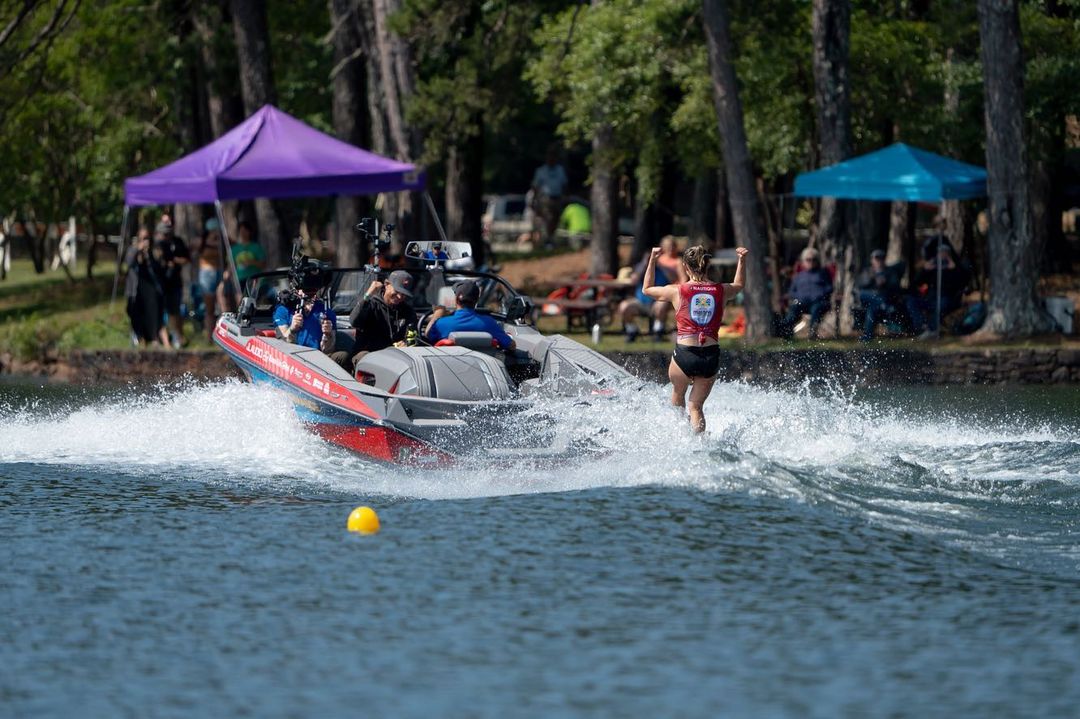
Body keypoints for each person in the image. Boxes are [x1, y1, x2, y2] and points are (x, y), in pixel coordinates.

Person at [643, 244, 748, 434]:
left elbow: (647, 289)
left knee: (678, 395)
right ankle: (699, 446)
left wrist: (652, 259)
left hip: (685, 353)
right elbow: (739, 285)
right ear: (707, 266)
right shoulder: (721, 290)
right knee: (696, 407)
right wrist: (742, 260)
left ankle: (679, 437)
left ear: (685, 267)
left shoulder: (677, 291)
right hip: (710, 356)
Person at [331, 270, 418, 371]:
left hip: (395, 358)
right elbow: (353, 321)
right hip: (368, 357)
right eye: (397, 291)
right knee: (365, 357)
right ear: (386, 284)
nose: (399, 297)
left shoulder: (408, 311)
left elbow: (413, 335)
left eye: (403, 294)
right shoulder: (370, 305)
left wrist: (406, 343)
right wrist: (368, 295)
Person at [617, 236, 685, 341]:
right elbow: (634, 279)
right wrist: (646, 263)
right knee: (624, 306)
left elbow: (676, 279)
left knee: (661, 305)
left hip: (658, 301)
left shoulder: (668, 264)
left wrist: (659, 264)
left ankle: (658, 332)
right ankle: (632, 331)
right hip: (641, 301)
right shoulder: (643, 266)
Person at [905, 238, 970, 338]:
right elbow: (915, 284)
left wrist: (954, 269)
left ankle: (933, 329)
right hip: (931, 298)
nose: (942, 255)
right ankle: (922, 327)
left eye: (945, 253)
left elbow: (963, 283)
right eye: (940, 253)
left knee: (941, 304)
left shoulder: (955, 268)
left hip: (947, 298)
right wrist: (924, 270)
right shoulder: (933, 268)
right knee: (911, 301)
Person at [426, 279, 516, 350]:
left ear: (456, 299)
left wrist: (438, 313)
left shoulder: (441, 324)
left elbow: (428, 335)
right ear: (476, 300)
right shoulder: (489, 323)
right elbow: (511, 345)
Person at [124, 226, 170, 347]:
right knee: (136, 315)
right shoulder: (133, 250)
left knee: (156, 315)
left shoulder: (154, 251)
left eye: (147, 238)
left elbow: (160, 269)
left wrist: (151, 254)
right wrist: (138, 250)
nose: (145, 241)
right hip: (136, 291)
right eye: (143, 238)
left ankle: (159, 341)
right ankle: (141, 340)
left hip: (152, 291)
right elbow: (128, 263)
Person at [778, 247, 833, 340]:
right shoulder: (799, 276)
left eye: (814, 259)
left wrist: (820, 294)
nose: (811, 262)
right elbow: (792, 291)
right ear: (803, 262)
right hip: (802, 302)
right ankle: (786, 334)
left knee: (816, 309)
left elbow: (829, 288)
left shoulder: (823, 273)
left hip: (818, 302)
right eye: (808, 260)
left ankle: (812, 333)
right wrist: (798, 297)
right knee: (793, 310)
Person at [153, 219, 190, 347]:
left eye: (168, 233)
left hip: (174, 282)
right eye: (163, 234)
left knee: (175, 311)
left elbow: (186, 259)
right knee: (159, 311)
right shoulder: (156, 244)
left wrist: (173, 260)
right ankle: (164, 341)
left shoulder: (177, 242)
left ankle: (178, 337)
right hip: (159, 283)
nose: (166, 236)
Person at [856, 249, 905, 342]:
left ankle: (867, 337)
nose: (879, 261)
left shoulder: (890, 272)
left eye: (881, 258)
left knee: (872, 309)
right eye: (876, 258)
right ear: (872, 260)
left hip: (881, 301)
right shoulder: (867, 271)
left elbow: (895, 287)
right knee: (866, 294)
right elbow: (860, 285)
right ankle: (884, 305)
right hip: (870, 299)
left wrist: (885, 282)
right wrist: (872, 279)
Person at [273, 287, 337, 353]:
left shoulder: (326, 312)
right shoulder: (283, 310)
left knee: (342, 356)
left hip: (318, 357)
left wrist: (328, 335)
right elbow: (282, 347)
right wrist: (292, 330)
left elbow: (328, 350)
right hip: (294, 356)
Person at [530, 145, 569, 245]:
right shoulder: (541, 171)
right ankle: (547, 239)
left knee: (555, 219)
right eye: (550, 156)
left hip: (557, 198)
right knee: (548, 218)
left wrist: (564, 196)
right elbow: (535, 186)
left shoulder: (560, 170)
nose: (551, 158)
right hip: (545, 199)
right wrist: (534, 199)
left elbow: (564, 184)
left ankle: (550, 238)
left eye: (553, 156)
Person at [195, 218, 224, 341]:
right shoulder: (202, 241)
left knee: (223, 304)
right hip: (207, 273)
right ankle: (209, 337)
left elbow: (232, 244)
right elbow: (194, 247)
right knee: (210, 308)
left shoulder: (222, 241)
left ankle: (223, 335)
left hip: (219, 272)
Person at [230, 220, 266, 295]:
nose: (243, 233)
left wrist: (251, 262)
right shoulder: (234, 249)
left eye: (245, 230)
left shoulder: (256, 247)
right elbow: (231, 266)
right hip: (239, 280)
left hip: (254, 279)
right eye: (241, 231)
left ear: (249, 232)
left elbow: (263, 264)